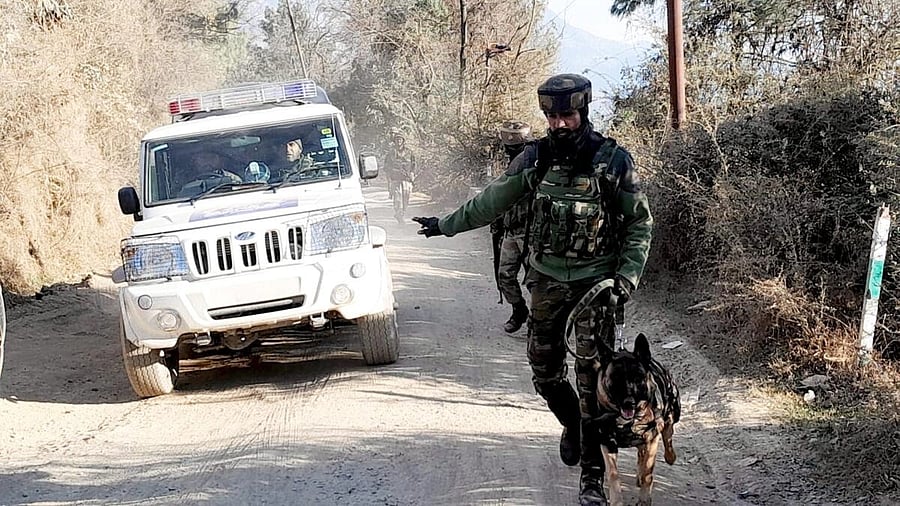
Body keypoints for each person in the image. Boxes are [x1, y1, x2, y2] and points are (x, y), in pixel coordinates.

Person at [413, 73, 652, 506]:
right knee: (544, 375)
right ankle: (575, 426)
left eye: (567, 115)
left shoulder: (612, 161)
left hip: (594, 287)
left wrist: (626, 278)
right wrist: (445, 225)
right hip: (544, 282)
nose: (559, 124)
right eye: (551, 116)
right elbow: (492, 200)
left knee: (590, 382)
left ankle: (592, 478)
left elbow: (639, 222)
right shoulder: (535, 159)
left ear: (583, 111)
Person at [492, 120, 533, 333]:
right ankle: (519, 310)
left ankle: (539, 322)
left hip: (533, 231)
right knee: (505, 275)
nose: (510, 151)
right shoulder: (509, 165)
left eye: (514, 147)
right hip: (512, 228)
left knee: (536, 280)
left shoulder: (535, 162)